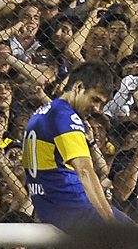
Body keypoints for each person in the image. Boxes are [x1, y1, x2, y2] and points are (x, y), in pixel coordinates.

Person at [24, 64, 123, 226]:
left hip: (48, 206)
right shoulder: (67, 117)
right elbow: (84, 171)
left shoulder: (43, 111)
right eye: (95, 99)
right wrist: (109, 221)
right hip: (73, 206)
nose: (97, 109)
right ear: (78, 87)